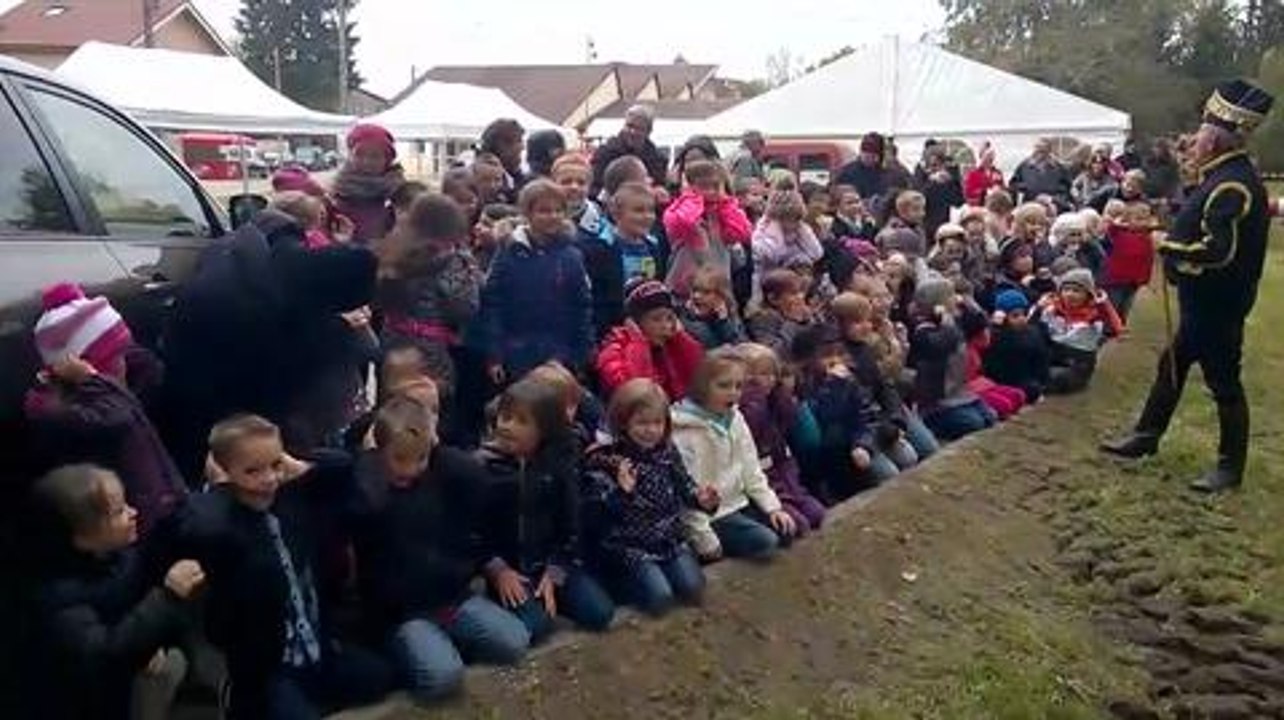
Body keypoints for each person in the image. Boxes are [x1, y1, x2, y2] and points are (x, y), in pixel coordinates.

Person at [1102, 80, 1274, 492]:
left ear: (1214, 139)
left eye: (1200, 134)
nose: (1194, 141)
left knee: (1223, 382)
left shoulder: (1232, 184)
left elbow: (1219, 251)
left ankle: (1230, 469)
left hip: (1219, 302)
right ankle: (1146, 436)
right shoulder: (1223, 176)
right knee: (1173, 366)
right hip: (1206, 302)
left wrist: (1169, 245)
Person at [177, 415, 393, 719]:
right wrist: (221, 491)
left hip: (317, 650)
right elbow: (194, 521)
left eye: (274, 465)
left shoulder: (292, 499)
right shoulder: (221, 522)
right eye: (253, 470)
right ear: (224, 473)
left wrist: (298, 466)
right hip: (271, 667)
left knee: (380, 677)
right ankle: (241, 699)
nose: (268, 479)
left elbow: (343, 467)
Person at [349, 396, 528, 703]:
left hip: (451, 598)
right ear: (380, 453)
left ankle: (441, 646)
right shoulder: (370, 487)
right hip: (403, 613)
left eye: (419, 459)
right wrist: (370, 460)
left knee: (515, 642)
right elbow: (359, 498)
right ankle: (411, 655)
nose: (410, 469)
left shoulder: (442, 473)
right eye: (399, 460)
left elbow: (475, 477)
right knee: (442, 679)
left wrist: (435, 446)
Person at [30, 464, 203, 720]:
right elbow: (102, 658)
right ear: (82, 536)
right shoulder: (59, 599)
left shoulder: (119, 555)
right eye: (118, 511)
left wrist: (152, 641)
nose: (133, 513)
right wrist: (168, 597)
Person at [25, 283, 186, 535]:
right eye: (112, 362)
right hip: (129, 525)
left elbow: (145, 371)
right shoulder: (72, 414)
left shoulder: (108, 393)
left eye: (123, 355)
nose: (122, 366)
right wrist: (96, 381)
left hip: (154, 503)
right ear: (82, 372)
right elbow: (120, 416)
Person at [476, 379, 616, 641]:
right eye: (505, 417)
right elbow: (473, 531)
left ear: (544, 430)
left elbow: (570, 526)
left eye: (520, 421)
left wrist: (556, 571)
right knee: (538, 629)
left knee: (600, 613)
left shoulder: (558, 465)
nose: (507, 426)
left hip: (550, 563)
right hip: (508, 569)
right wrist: (497, 570)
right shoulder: (482, 468)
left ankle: (550, 595)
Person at [582, 379, 718, 615]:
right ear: (623, 423)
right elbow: (599, 514)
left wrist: (702, 499)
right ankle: (617, 586)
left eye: (657, 423)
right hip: (629, 547)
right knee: (659, 598)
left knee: (692, 587)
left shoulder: (667, 451)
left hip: (668, 539)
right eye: (642, 423)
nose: (651, 430)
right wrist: (622, 491)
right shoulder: (607, 460)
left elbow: (684, 485)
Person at [671, 349, 798, 561]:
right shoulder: (683, 431)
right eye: (723, 386)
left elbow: (751, 469)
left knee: (789, 528)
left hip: (740, 502)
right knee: (766, 542)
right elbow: (687, 493)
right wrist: (705, 538)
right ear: (704, 385)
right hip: (713, 516)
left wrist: (772, 508)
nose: (732, 393)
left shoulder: (735, 418)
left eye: (738, 386)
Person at [477, 179, 593, 383]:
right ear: (527, 213)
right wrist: (494, 354)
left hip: (560, 355)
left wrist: (582, 353)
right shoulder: (508, 252)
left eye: (558, 210)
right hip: (516, 354)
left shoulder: (572, 256)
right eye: (544, 211)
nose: (553, 216)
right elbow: (493, 305)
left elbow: (581, 306)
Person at [377, 193, 480, 406]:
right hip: (429, 350)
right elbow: (464, 307)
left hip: (392, 342)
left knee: (392, 402)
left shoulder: (392, 251)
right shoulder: (452, 259)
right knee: (426, 403)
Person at [736, 343, 826, 531]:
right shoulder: (744, 412)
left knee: (816, 513)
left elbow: (783, 457)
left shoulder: (777, 405)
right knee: (798, 525)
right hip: (761, 486)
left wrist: (794, 492)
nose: (769, 380)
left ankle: (796, 498)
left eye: (772, 374)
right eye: (761, 374)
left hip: (783, 478)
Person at [907, 273, 996, 441]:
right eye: (951, 296)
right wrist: (946, 321)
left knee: (990, 417)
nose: (955, 299)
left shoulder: (953, 322)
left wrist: (968, 303)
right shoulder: (923, 330)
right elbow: (944, 343)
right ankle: (931, 426)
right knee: (973, 424)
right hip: (937, 401)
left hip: (959, 393)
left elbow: (980, 322)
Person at [596, 280, 705, 403]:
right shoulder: (614, 350)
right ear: (635, 322)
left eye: (670, 318)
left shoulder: (671, 343)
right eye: (656, 319)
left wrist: (681, 338)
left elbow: (699, 376)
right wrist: (639, 345)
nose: (666, 326)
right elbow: (635, 397)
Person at [580, 182, 664, 339]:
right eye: (638, 211)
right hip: (612, 328)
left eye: (651, 211)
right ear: (617, 214)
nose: (647, 217)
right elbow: (599, 296)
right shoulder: (602, 249)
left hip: (646, 324)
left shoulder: (652, 247)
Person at [662, 160, 753, 297]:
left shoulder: (721, 215)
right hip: (685, 291)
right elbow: (686, 220)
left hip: (719, 288)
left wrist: (726, 203)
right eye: (704, 186)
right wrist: (692, 198)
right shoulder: (679, 209)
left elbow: (743, 232)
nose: (710, 191)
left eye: (716, 186)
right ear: (690, 186)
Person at [1034, 268, 1124, 394]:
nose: (1070, 294)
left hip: (1078, 360)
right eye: (1066, 290)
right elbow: (1034, 326)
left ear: (1087, 294)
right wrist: (1038, 307)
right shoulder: (1052, 308)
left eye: (1076, 291)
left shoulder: (1095, 314)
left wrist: (1103, 303)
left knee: (1059, 379)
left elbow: (1115, 328)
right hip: (1053, 352)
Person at [751, 187, 824, 307]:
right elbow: (771, 255)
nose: (791, 223)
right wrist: (776, 232)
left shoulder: (801, 230)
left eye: (795, 218)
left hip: (796, 277)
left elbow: (816, 253)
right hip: (767, 278)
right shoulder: (764, 230)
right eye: (786, 218)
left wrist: (804, 231)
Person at [332, 123, 403, 244]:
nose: (366, 161)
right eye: (359, 154)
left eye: (375, 156)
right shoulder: (335, 192)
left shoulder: (402, 193)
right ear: (350, 155)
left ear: (387, 160)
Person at [984, 289, 1051, 403]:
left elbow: (1041, 361)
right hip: (1005, 380)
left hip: (1028, 378)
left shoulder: (1033, 333)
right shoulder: (997, 336)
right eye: (1015, 315)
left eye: (1024, 314)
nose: (1021, 319)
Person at [590, 105, 668, 196]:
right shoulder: (606, 152)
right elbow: (593, 187)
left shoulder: (657, 159)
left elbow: (661, 187)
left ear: (648, 131)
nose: (633, 132)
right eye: (629, 126)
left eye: (639, 129)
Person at [1100, 200, 1157, 322]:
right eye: (1138, 219)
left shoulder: (1148, 236)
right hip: (1115, 279)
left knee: (1126, 306)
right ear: (1128, 220)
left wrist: (1145, 279)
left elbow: (1148, 260)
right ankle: (1108, 329)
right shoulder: (1119, 233)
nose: (1143, 222)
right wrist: (1121, 223)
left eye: (1146, 219)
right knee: (1113, 305)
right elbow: (1111, 228)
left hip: (1135, 280)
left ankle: (1121, 327)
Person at [747, 269, 816, 356]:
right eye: (793, 293)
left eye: (801, 292)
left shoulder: (802, 313)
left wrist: (808, 320)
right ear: (773, 299)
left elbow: (818, 341)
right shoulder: (762, 319)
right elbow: (776, 353)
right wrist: (791, 322)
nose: (800, 297)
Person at [679, 266, 747, 350]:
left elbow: (742, 347)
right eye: (694, 290)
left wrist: (723, 322)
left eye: (706, 292)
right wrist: (696, 316)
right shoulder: (685, 318)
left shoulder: (729, 317)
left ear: (721, 295)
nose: (696, 296)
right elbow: (709, 344)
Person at [913, 144, 964, 241]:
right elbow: (919, 199)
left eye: (936, 165)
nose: (933, 169)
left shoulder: (951, 180)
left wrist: (952, 183)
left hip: (946, 225)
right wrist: (931, 183)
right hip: (927, 226)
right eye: (930, 166)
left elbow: (959, 202)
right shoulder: (922, 179)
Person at [833, 132, 890, 214]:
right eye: (866, 155)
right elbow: (837, 195)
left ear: (880, 156)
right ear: (861, 153)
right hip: (855, 213)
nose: (869, 159)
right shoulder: (847, 172)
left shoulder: (889, 173)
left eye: (873, 156)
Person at [1008, 139, 1072, 208]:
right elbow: (1013, 185)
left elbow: (1066, 191)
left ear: (1049, 151)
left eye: (1042, 151)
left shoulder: (1059, 168)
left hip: (1052, 207)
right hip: (1029, 207)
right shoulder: (1024, 166)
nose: (1038, 154)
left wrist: (1052, 199)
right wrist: (1027, 187)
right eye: (1037, 149)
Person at [479, 119, 527, 202]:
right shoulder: (475, 177)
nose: (523, 147)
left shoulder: (520, 178)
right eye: (518, 141)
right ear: (500, 145)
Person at [964, 142, 1005, 207]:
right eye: (988, 156)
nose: (990, 159)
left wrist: (999, 190)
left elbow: (1003, 189)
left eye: (992, 155)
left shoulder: (997, 172)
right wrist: (985, 192)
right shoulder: (973, 174)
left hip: (996, 207)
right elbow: (968, 193)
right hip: (979, 207)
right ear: (981, 156)